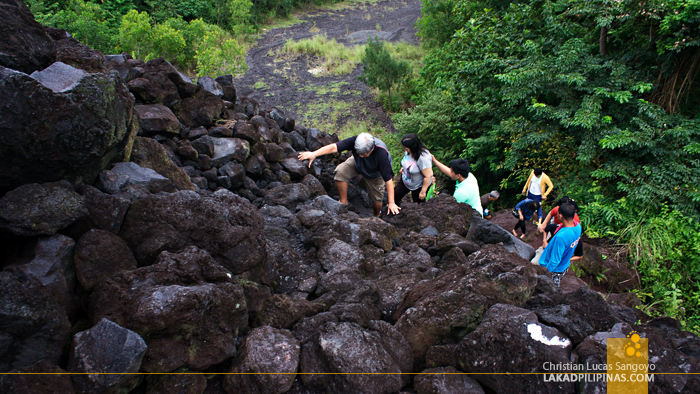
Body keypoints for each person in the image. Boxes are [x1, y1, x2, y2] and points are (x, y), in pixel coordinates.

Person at [298, 132, 400, 217]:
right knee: (340, 172)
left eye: (363, 154)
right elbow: (334, 147)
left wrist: (391, 202)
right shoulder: (356, 141)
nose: (360, 155)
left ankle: (376, 216)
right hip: (358, 164)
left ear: (372, 149)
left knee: (376, 200)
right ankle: (343, 202)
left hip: (375, 173)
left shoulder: (381, 154)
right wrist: (314, 154)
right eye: (358, 152)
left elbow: (388, 179)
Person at [538, 203, 581, 287]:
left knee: (550, 288)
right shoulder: (577, 226)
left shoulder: (562, 237)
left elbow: (555, 260)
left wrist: (546, 273)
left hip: (555, 269)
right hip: (565, 264)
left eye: (557, 214)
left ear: (560, 216)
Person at [538, 196, 583, 261]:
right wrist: (544, 224)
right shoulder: (557, 212)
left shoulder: (575, 222)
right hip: (558, 226)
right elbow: (551, 214)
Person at [395, 134, 433, 205]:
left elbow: (428, 176)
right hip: (406, 179)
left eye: (406, 148)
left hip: (419, 185)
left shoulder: (423, 158)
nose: (405, 150)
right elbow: (409, 162)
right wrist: (404, 168)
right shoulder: (409, 152)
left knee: (418, 203)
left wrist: (423, 191)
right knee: (395, 195)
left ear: (413, 147)